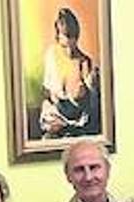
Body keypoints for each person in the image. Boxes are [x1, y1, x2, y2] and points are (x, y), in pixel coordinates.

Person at [39, 7, 99, 138]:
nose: (69, 40)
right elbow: (47, 90)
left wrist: (85, 92)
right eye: (63, 35)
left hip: (78, 121)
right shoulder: (52, 55)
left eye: (71, 36)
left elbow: (89, 105)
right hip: (55, 116)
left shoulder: (84, 61)